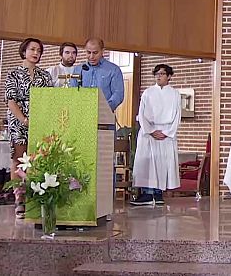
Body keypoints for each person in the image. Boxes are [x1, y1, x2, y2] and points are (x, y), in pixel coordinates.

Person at [5, 37, 53, 218]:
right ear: (24, 51)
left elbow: (50, 101)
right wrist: (25, 120)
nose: (35, 53)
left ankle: (36, 197)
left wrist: (41, 120)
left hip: (40, 121)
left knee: (37, 159)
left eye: (38, 51)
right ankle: (19, 200)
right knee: (19, 159)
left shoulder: (45, 76)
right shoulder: (13, 74)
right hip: (19, 121)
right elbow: (11, 101)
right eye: (32, 49)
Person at [131, 64, 181, 206]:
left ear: (169, 76)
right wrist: (151, 131)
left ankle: (159, 194)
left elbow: (177, 116)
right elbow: (141, 114)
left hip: (166, 134)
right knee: (147, 163)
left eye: (162, 74)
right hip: (149, 133)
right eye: (156, 74)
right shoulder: (148, 92)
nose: (158, 76)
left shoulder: (175, 94)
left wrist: (167, 133)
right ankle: (147, 194)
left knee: (162, 164)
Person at [72, 38, 124, 111]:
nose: (91, 56)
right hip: (82, 114)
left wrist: (105, 108)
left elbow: (118, 94)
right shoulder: (78, 69)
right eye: (88, 52)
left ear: (102, 51)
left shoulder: (113, 70)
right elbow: (72, 92)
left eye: (95, 53)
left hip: (104, 115)